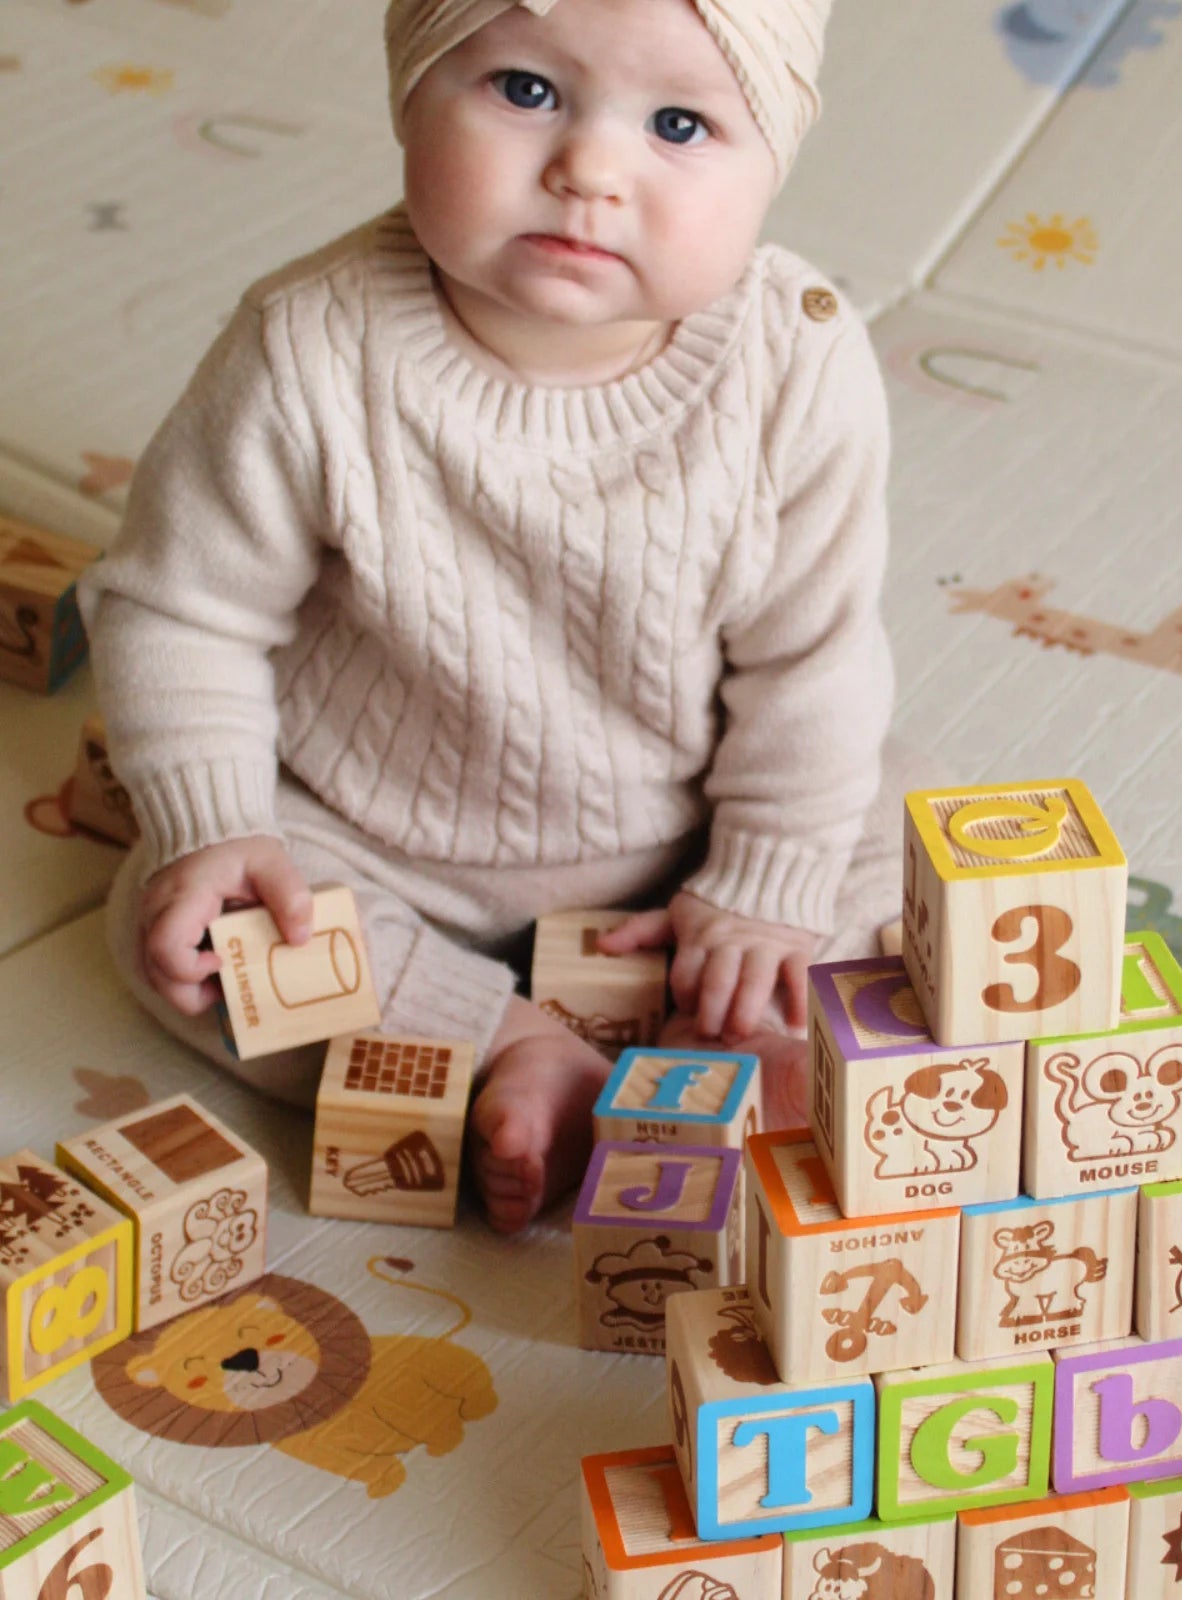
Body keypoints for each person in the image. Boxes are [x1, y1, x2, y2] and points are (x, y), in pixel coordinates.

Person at [80, 0, 914, 1233]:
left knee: (898, 825)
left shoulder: (797, 365)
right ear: (411, 89)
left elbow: (814, 656)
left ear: (772, 158)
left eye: (679, 122)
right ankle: (506, 1048)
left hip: (688, 832)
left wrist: (763, 884)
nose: (588, 169)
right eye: (526, 92)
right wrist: (219, 822)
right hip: (371, 835)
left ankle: (720, 1019)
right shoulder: (309, 346)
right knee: (182, 926)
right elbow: (177, 610)